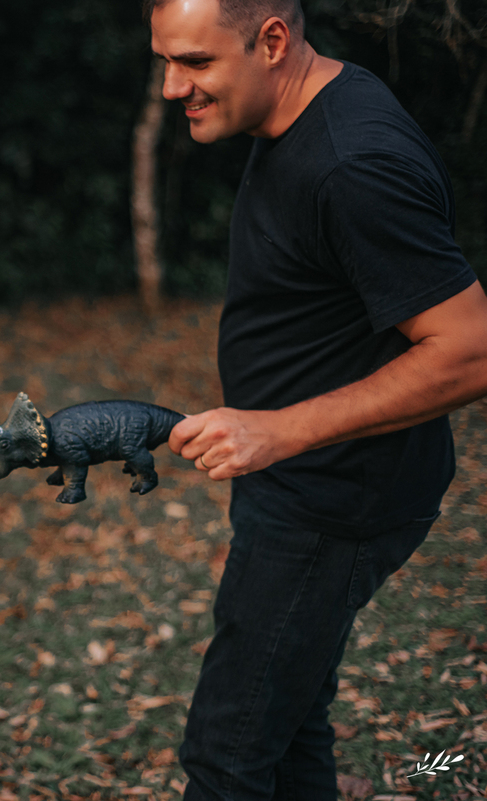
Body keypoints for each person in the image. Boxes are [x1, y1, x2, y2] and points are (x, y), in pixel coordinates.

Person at [145, 0, 487, 797]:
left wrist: (277, 431)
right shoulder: (306, 111)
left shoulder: (351, 164)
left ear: (272, 41)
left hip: (331, 503)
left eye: (195, 62)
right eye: (165, 61)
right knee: (291, 728)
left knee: (228, 755)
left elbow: (471, 349)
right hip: (305, 486)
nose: (171, 87)